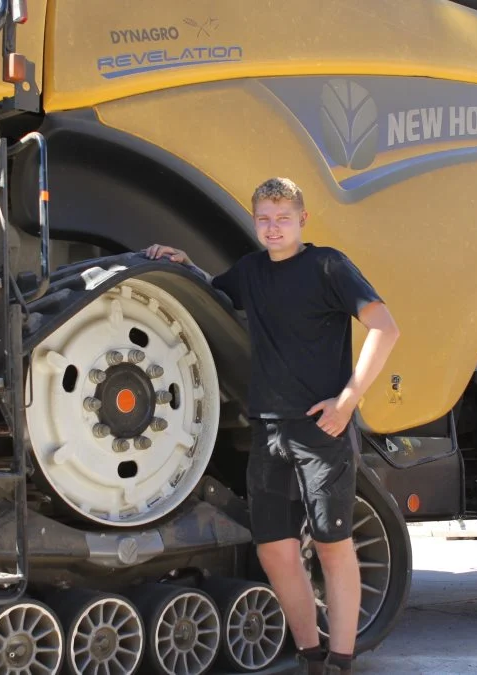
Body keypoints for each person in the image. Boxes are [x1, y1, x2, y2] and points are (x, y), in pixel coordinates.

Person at [146, 177, 400, 675]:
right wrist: (183, 263)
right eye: (264, 218)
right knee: (276, 551)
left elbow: (385, 327)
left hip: (321, 429)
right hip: (268, 431)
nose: (272, 227)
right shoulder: (250, 272)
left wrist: (348, 401)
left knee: (332, 543)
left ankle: (342, 660)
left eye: (282, 218)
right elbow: (213, 292)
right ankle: (311, 657)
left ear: (302, 220)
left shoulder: (329, 266)